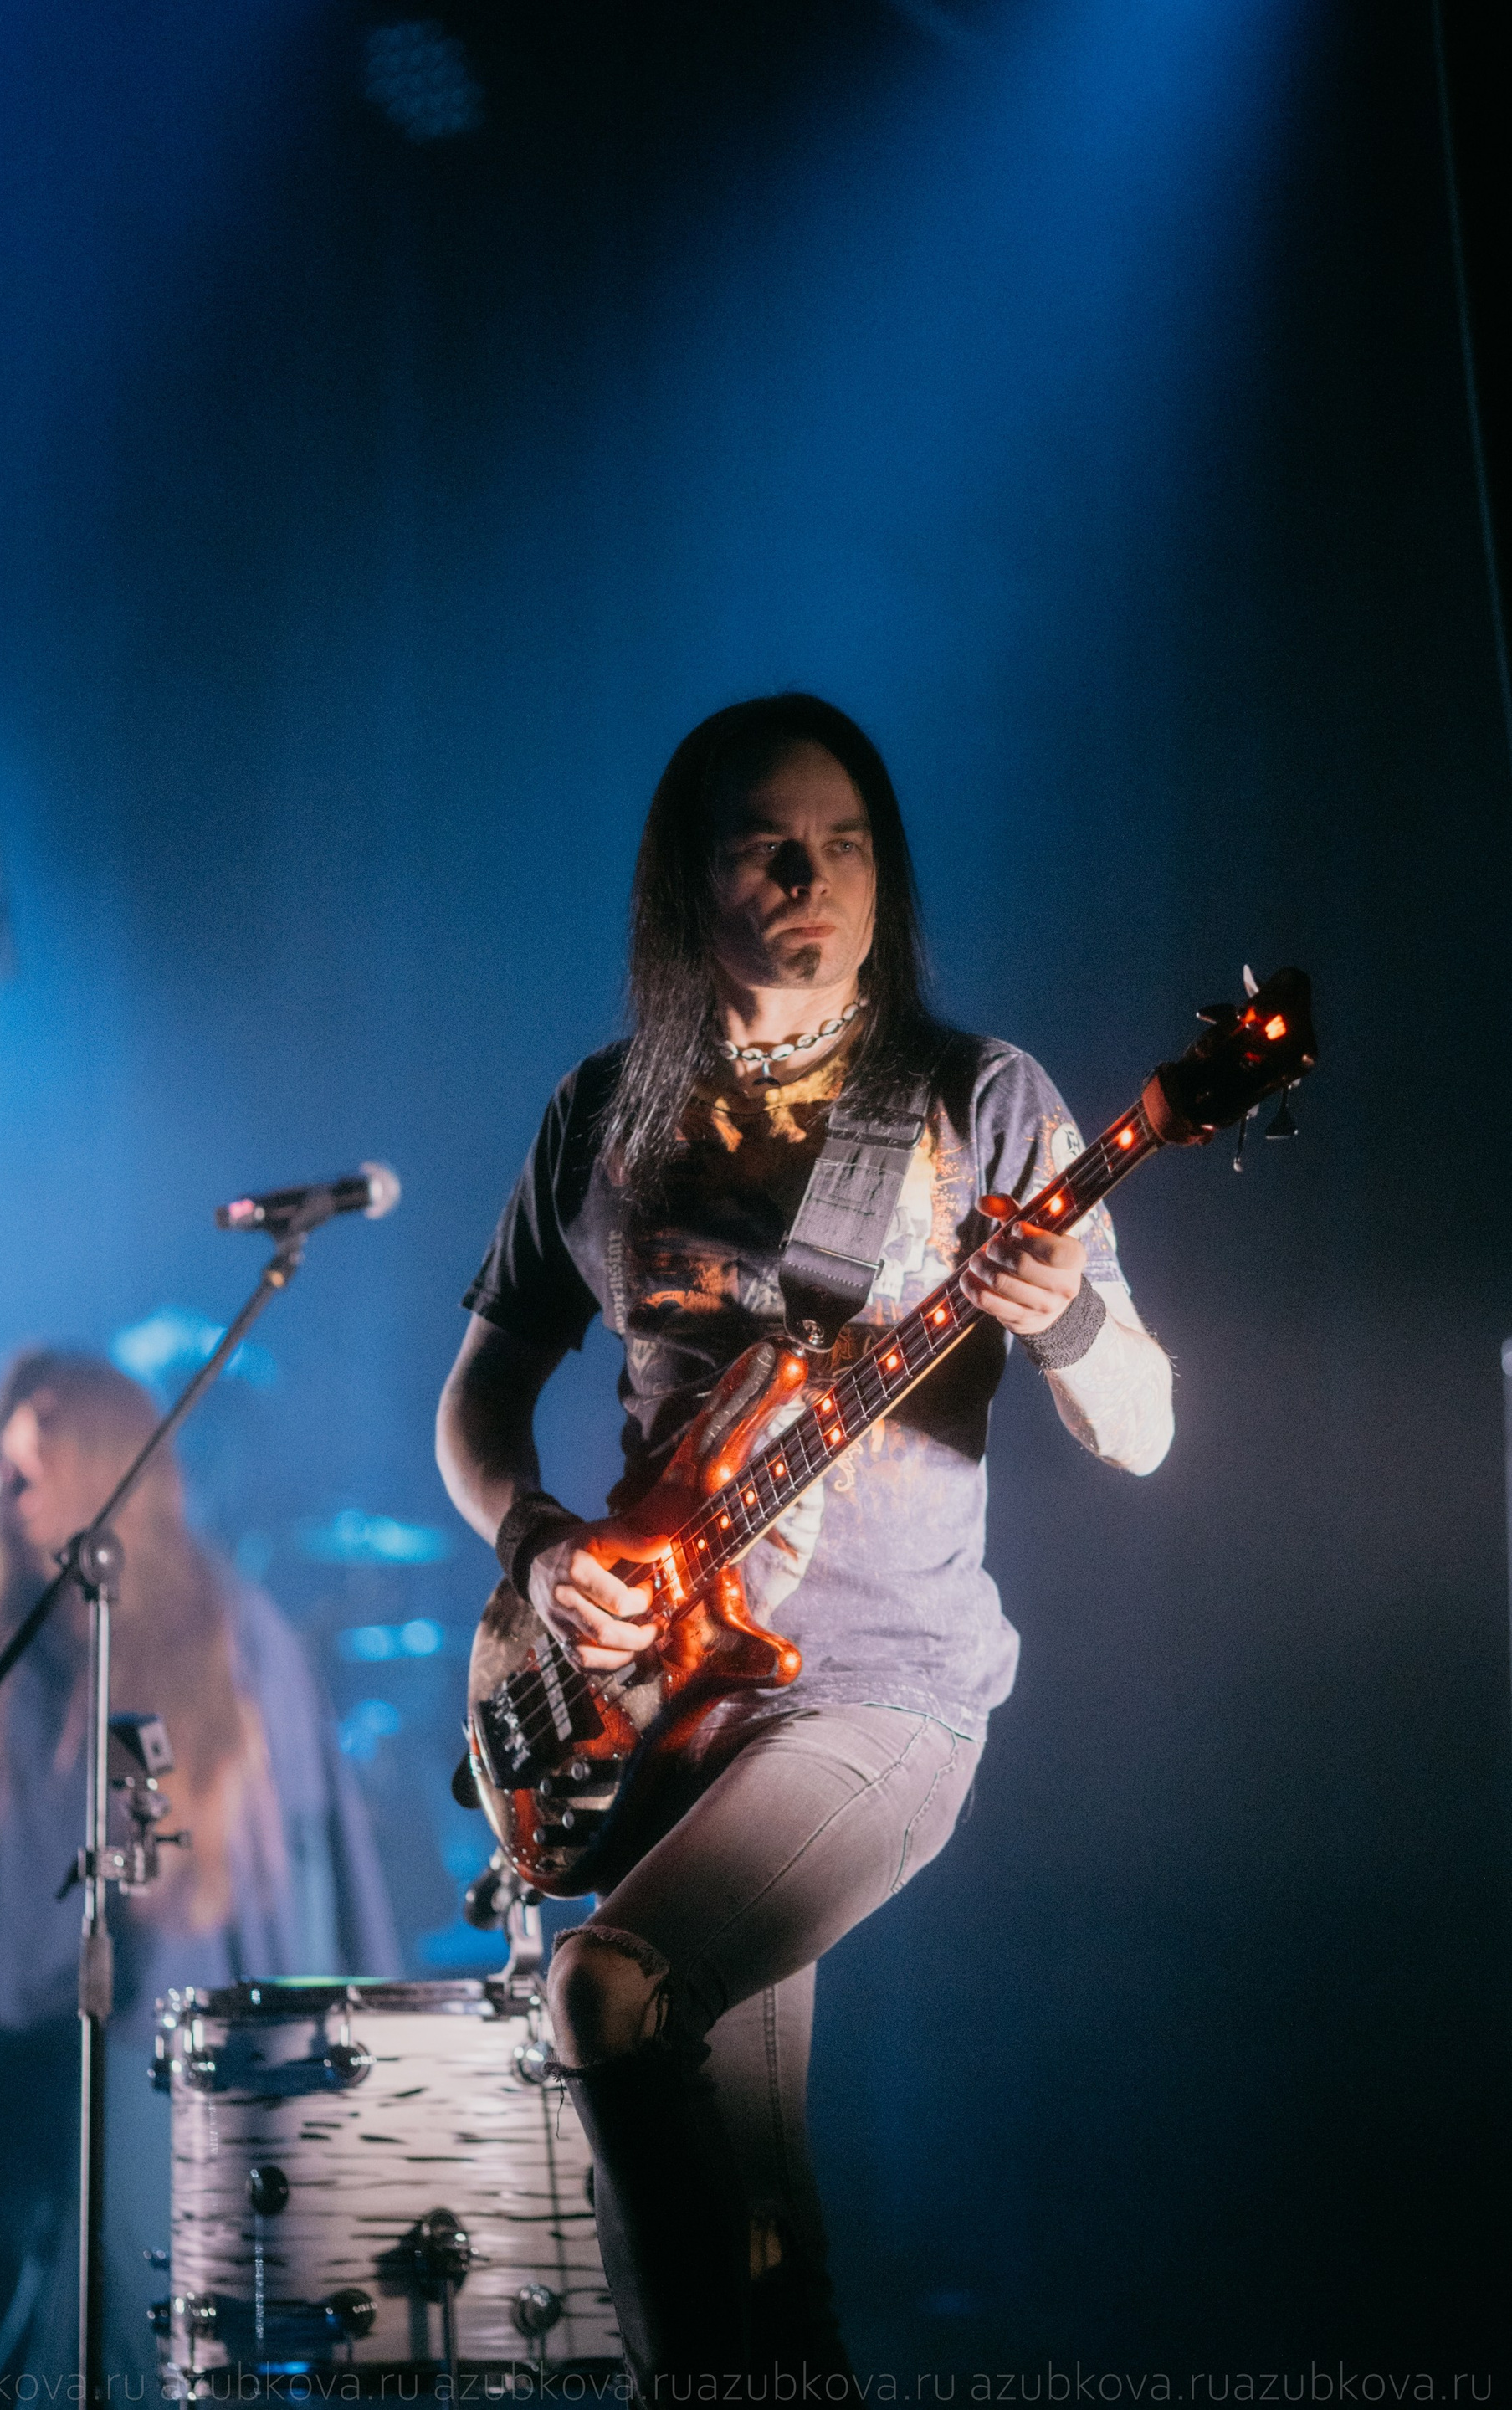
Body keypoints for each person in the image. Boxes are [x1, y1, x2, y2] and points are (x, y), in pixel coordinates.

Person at [436, 694, 1174, 2388]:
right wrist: (540, 1550)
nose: (808, 879)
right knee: (756, 2211)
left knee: (604, 1995)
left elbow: (1145, 1429)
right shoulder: (601, 1110)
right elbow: (472, 1407)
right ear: (685, 879)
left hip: (881, 1693)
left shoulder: (975, 1098)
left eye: (843, 845)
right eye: (766, 846)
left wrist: (1064, 1319)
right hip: (658, 1706)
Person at [0, 1349, 399, 2384]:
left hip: (154, 2050)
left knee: (113, 2253)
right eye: (5, 1425)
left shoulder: (219, 1633)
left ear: (110, 1453)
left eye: (46, 1420)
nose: (11, 1449)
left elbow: (271, 1871)